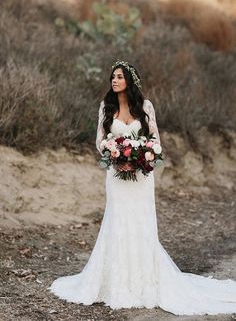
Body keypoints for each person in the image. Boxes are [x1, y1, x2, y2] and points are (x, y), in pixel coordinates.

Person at [49, 60, 236, 315]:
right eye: (112, 77)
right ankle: (115, 282)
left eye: (119, 77)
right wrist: (116, 156)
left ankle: (144, 282)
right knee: (117, 221)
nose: (114, 81)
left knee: (141, 223)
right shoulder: (106, 106)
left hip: (141, 178)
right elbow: (100, 141)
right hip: (116, 176)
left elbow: (155, 141)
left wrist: (139, 159)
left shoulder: (145, 106)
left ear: (130, 81)